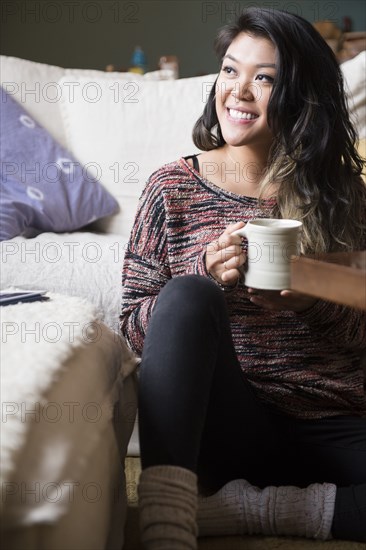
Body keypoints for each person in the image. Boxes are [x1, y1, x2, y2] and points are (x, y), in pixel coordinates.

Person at [120, 7, 366, 549]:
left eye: (265, 78)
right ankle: (168, 520)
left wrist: (311, 301)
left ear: (304, 95)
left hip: (331, 419)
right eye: (231, 71)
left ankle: (251, 511)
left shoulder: (345, 198)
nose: (239, 91)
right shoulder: (171, 189)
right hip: (227, 426)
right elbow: (133, 328)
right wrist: (201, 273)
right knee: (184, 293)